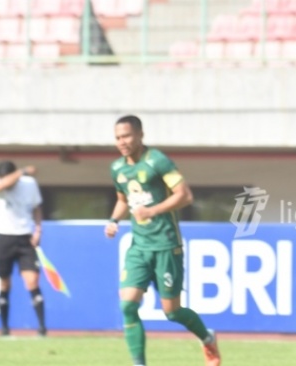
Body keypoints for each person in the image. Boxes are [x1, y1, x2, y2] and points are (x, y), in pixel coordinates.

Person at [104, 115, 221, 366]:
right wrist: (114, 220)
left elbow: (185, 195)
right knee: (127, 306)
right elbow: (123, 200)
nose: (122, 142)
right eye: (117, 138)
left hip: (166, 245)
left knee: (172, 312)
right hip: (139, 247)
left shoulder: (157, 161)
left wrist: (152, 211)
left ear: (140, 135)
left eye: (126, 136)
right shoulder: (117, 168)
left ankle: (207, 337)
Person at [0, 162, 45, 337]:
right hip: (3, 237)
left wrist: (38, 229)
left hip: (25, 237)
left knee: (32, 281)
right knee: (4, 283)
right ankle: (4, 329)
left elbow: (37, 207)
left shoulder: (28, 183)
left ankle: (42, 328)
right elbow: (3, 185)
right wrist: (22, 171)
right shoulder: (4, 183)